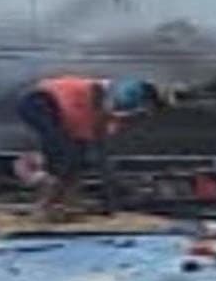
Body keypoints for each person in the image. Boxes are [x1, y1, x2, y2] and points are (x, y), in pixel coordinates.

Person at [15, 74, 175, 219]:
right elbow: (105, 106)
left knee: (74, 159)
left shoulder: (115, 115)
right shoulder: (124, 92)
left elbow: (98, 136)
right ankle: (45, 203)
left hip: (66, 114)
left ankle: (63, 201)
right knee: (61, 153)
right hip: (43, 101)